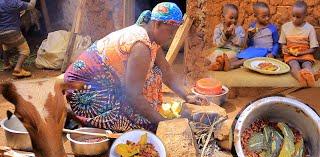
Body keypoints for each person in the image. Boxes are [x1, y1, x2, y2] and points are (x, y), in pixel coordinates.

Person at [64, 2, 207, 133]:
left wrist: (187, 96)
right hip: (82, 89)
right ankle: (74, 112)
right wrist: (163, 123)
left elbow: (165, 70)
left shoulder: (150, 38)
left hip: (102, 83)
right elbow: (133, 95)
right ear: (157, 24)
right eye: (170, 32)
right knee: (140, 126)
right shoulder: (141, 46)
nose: (171, 36)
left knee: (155, 73)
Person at [211, 2, 280, 71]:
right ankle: (224, 63)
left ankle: (232, 66)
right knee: (241, 55)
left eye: (268, 16)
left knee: (249, 58)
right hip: (253, 49)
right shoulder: (252, 27)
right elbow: (250, 43)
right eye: (264, 16)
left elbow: (276, 43)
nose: (267, 18)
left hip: (265, 51)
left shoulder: (272, 28)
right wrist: (250, 36)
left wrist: (273, 53)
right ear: (255, 16)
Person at [279, 1, 320, 87]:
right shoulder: (285, 27)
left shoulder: (310, 28)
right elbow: (282, 44)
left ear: (305, 16)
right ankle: (301, 79)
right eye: (293, 16)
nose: (294, 19)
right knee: (294, 65)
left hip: (306, 53)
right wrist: (284, 48)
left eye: (298, 17)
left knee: (307, 65)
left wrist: (301, 53)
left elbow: (314, 48)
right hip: (291, 55)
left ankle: (310, 75)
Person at [0, 0, 36, 77]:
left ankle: (6, 64)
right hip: (12, 31)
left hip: (1, 33)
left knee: (6, 46)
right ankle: (18, 69)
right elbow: (31, 5)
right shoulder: (14, 2)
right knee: (25, 50)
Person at [206, 3, 245, 71]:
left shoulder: (239, 29)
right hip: (220, 49)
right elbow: (216, 44)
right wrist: (225, 36)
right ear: (223, 17)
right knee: (213, 55)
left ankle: (219, 65)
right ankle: (210, 64)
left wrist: (233, 36)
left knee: (228, 57)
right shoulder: (218, 28)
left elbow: (241, 44)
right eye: (231, 18)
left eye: (236, 18)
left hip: (233, 51)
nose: (234, 21)